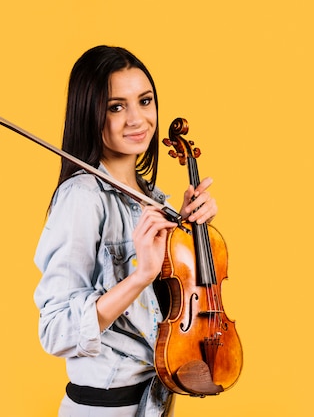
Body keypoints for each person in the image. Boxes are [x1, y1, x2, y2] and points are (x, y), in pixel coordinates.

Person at [33, 45, 218, 416]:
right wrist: (141, 275)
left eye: (144, 101)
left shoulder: (153, 198)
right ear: (90, 114)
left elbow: (165, 307)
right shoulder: (83, 198)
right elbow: (55, 331)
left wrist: (185, 233)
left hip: (154, 403)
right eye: (116, 107)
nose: (137, 119)